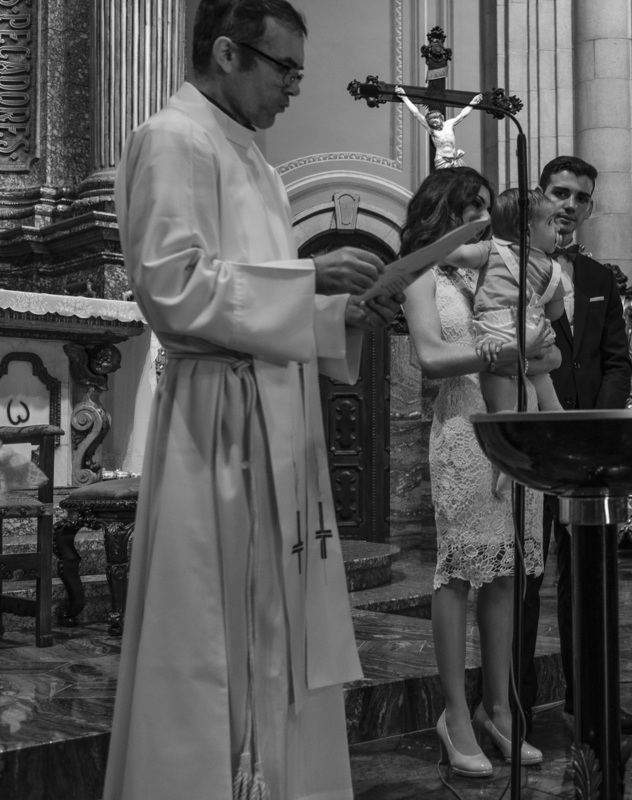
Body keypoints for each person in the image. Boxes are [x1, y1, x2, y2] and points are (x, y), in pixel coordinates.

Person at [104, 2, 403, 799]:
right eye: (286, 69)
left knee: (279, 627)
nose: (295, 88)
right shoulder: (173, 139)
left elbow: (267, 305)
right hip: (217, 427)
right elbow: (171, 288)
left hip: (275, 418)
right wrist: (309, 280)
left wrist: (342, 312)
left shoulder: (258, 161)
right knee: (215, 631)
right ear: (229, 53)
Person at [400, 167, 559, 778]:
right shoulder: (421, 272)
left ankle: (501, 708)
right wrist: (496, 351)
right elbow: (431, 359)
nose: (482, 218)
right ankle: (455, 715)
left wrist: (531, 347)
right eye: (470, 207)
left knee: (509, 573)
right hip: (464, 433)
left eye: (487, 208)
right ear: (443, 211)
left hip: (515, 435)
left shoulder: (504, 270)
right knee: (460, 573)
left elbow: (547, 350)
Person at [516, 155, 632, 735]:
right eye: (560, 193)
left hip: (586, 456)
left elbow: (616, 361)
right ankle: (513, 708)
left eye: (581, 198)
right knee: (524, 578)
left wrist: (599, 425)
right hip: (530, 449)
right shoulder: (510, 269)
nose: (569, 205)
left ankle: (589, 703)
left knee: (586, 582)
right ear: (540, 198)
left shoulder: (598, 281)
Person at [446, 187, 566, 418]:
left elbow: (459, 256)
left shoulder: (491, 250)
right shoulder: (552, 268)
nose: (557, 229)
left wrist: (436, 247)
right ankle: (555, 412)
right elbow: (556, 312)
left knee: (501, 408)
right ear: (527, 231)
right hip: (534, 332)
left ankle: (502, 422)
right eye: (550, 222)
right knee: (547, 394)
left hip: (498, 333)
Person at [396, 85, 482, 169]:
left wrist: (472, 103)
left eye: (435, 120)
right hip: (441, 160)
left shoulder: (449, 124)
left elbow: (462, 115)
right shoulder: (431, 129)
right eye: (432, 122)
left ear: (440, 118)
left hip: (455, 159)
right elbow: (416, 113)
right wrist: (404, 97)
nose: (434, 124)